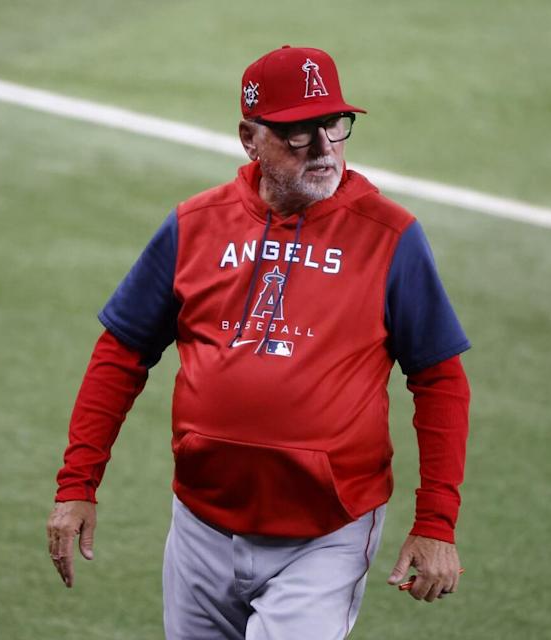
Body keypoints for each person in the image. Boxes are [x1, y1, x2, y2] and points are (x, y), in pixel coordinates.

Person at [46, 45, 472, 640]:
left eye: (333, 124)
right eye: (298, 132)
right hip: (201, 523)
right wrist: (77, 485)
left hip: (325, 534)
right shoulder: (195, 224)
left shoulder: (390, 236)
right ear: (250, 138)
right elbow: (121, 353)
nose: (324, 148)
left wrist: (436, 522)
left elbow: (440, 378)